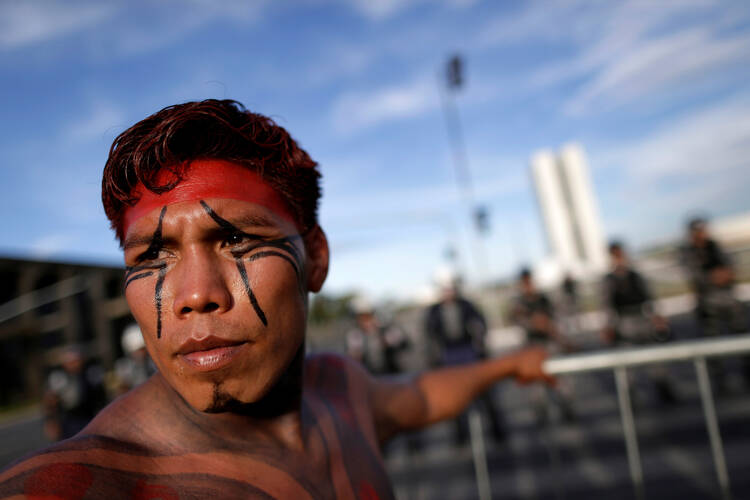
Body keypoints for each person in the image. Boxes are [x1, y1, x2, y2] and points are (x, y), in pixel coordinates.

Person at [0, 100, 550, 498]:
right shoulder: (82, 484)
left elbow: (421, 397)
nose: (195, 295)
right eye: (153, 256)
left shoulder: (338, 390)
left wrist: (510, 365)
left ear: (315, 257)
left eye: (236, 239)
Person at [424, 270, 506, 444]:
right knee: (455, 397)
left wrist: (478, 340)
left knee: (484, 391)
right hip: (449, 356)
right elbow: (430, 335)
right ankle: (461, 436)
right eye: (444, 289)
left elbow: (480, 325)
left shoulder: (466, 305)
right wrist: (435, 358)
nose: (448, 292)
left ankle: (497, 432)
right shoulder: (434, 311)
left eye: (450, 288)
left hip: (469, 352)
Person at [602, 242, 676, 403]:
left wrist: (658, 318)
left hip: (643, 319)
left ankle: (664, 390)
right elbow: (607, 305)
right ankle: (630, 398)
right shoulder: (609, 280)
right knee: (627, 363)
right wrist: (609, 327)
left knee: (654, 358)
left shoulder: (635, 276)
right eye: (616, 255)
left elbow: (650, 298)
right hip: (624, 322)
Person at [681, 217, 749, 391]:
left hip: (728, 299)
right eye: (698, 231)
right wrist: (714, 276)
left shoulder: (715, 246)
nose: (702, 234)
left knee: (741, 338)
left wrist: (723, 275)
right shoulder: (688, 252)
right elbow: (694, 276)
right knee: (713, 345)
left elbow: (731, 267)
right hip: (708, 304)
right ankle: (720, 381)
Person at [510, 268, 575, 421]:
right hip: (533, 347)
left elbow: (556, 320)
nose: (528, 286)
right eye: (525, 283)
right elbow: (518, 321)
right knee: (537, 388)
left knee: (560, 382)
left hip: (549, 345)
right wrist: (533, 323)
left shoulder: (544, 299)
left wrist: (551, 328)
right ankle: (542, 415)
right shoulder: (520, 304)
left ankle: (567, 410)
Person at [42, 346, 107, 441]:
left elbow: (102, 397)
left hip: (90, 417)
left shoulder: (91, 374)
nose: (75, 364)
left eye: (77, 361)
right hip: (69, 420)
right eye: (72, 362)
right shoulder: (59, 379)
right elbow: (50, 402)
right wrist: (51, 421)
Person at [346, 297, 410, 376]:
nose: (364, 321)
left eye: (367, 316)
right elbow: (353, 357)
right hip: (370, 378)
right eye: (360, 318)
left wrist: (391, 344)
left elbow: (406, 344)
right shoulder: (355, 335)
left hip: (393, 376)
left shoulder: (386, 330)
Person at [112, 323, 157, 395]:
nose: (142, 354)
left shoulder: (154, 364)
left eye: (143, 349)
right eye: (138, 350)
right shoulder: (124, 370)